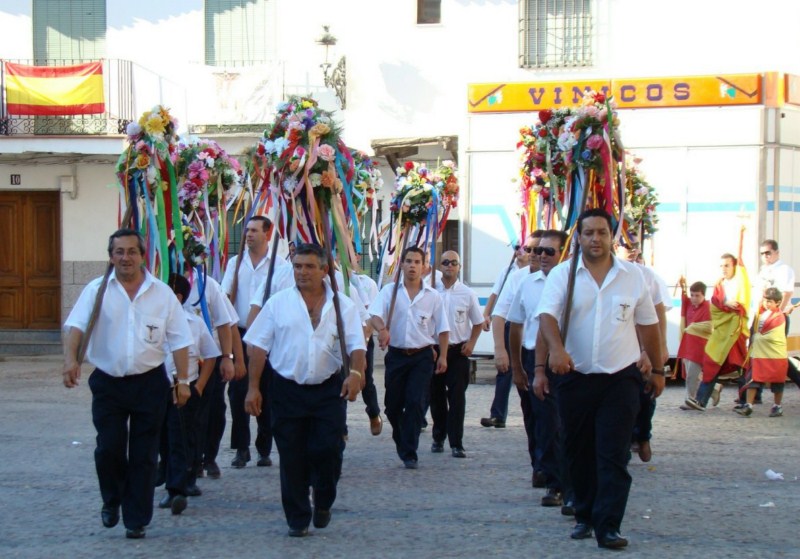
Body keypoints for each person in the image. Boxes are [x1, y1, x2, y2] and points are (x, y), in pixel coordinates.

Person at [536, 208, 662, 550]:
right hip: (574, 377)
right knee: (578, 451)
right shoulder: (564, 275)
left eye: (602, 232)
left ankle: (608, 525)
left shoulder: (632, 277)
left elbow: (650, 324)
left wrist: (660, 368)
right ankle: (585, 514)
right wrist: (556, 352)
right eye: (589, 232)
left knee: (614, 453)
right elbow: (546, 316)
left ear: (611, 236)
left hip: (620, 379)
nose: (595, 238)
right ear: (579, 237)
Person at [62, 228, 194, 539]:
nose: (125, 257)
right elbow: (76, 327)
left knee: (145, 453)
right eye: (119, 252)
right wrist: (71, 360)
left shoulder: (162, 293)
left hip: (150, 383)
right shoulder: (97, 290)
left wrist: (183, 380)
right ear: (111, 256)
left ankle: (136, 519)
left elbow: (180, 340)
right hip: (108, 383)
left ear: (142, 256)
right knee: (109, 448)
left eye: (131, 251)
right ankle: (112, 500)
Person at [243, 243, 366, 537]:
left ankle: (323, 500)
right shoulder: (278, 303)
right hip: (287, 390)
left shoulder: (342, 305)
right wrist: (253, 388)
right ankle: (297, 519)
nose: (302, 272)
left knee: (328, 450)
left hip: (327, 391)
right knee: (292, 455)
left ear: (324, 270)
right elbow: (258, 347)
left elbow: (356, 345)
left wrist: (356, 374)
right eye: (297, 266)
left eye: (309, 266)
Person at [369, 246, 450, 469]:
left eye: (417, 262)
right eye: (408, 261)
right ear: (402, 265)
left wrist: (442, 355)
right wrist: (382, 329)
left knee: (415, 402)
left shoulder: (433, 296)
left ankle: (410, 450)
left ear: (424, 267)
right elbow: (374, 315)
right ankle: (402, 438)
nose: (413, 265)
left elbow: (443, 329)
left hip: (422, 356)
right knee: (392, 407)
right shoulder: (390, 291)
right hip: (397, 355)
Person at [220, 215, 289, 468]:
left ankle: (264, 447)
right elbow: (225, 296)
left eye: (254, 230)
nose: (248, 234)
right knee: (238, 393)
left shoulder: (280, 266)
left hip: (269, 337)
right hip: (240, 333)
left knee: (267, 392)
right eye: (247, 230)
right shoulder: (235, 264)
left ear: (267, 234)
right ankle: (241, 447)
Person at [508, 229, 570, 508]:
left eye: (549, 251)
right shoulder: (527, 283)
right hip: (537, 359)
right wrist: (518, 367)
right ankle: (554, 481)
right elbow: (515, 324)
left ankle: (573, 483)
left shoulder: (573, 282)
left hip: (573, 361)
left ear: (564, 253)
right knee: (546, 423)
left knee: (570, 424)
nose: (541, 256)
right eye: (538, 251)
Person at [157, 273, 220, 515]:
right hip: (156, 387)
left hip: (184, 386)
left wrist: (200, 386)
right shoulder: (152, 319)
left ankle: (179, 488)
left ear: (178, 297)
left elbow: (211, 353)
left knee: (182, 437)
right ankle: (169, 475)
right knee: (162, 437)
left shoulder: (193, 323)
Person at [615, 238, 670, 463]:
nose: (632, 249)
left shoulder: (646, 276)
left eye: (635, 245)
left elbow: (657, 316)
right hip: (617, 352)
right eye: (626, 244)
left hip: (642, 349)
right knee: (620, 402)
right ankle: (623, 444)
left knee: (645, 396)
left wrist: (654, 350)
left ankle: (643, 435)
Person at [480, 234, 538, 429]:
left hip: (535, 337)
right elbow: (496, 295)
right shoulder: (510, 272)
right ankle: (498, 414)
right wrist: (486, 314)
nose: (526, 253)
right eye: (524, 248)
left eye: (531, 249)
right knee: (505, 371)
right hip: (511, 326)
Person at [430, 250, 483, 458]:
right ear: (440, 266)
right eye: (445, 262)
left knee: (457, 397)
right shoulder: (432, 290)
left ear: (459, 267)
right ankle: (438, 436)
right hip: (435, 350)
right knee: (436, 396)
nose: (449, 266)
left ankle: (456, 442)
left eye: (454, 263)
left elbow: (478, 322)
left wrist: (471, 343)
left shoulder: (468, 294)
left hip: (458, 350)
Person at [686, 253, 750, 411]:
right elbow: (715, 303)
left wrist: (727, 305)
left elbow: (740, 305)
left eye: (727, 265)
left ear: (734, 266)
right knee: (712, 363)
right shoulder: (719, 284)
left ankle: (745, 401)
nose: (724, 269)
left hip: (735, 331)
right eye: (721, 266)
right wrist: (725, 303)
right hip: (722, 331)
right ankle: (701, 401)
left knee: (739, 366)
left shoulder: (740, 282)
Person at [736, 287, 788, 417]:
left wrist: (757, 337)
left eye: (770, 301)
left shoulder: (780, 317)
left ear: (777, 302)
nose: (767, 303)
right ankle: (748, 405)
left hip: (775, 355)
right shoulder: (759, 314)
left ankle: (777, 406)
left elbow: (775, 335)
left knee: (778, 382)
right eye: (765, 300)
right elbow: (754, 330)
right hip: (759, 354)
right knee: (753, 379)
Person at [347, 256, 384, 436]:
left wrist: (364, 344)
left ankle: (374, 412)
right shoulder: (331, 279)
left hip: (362, 337)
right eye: (337, 252)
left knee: (365, 380)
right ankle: (339, 426)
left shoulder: (367, 284)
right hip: (336, 339)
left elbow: (371, 315)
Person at [676, 278, 711, 408]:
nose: (694, 298)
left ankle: (690, 399)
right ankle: (714, 389)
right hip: (688, 345)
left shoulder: (708, 308)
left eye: (697, 295)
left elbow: (710, 327)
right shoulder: (689, 305)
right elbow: (684, 301)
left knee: (691, 375)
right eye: (692, 295)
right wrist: (683, 289)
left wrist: (692, 328)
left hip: (699, 346)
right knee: (695, 375)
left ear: (704, 295)